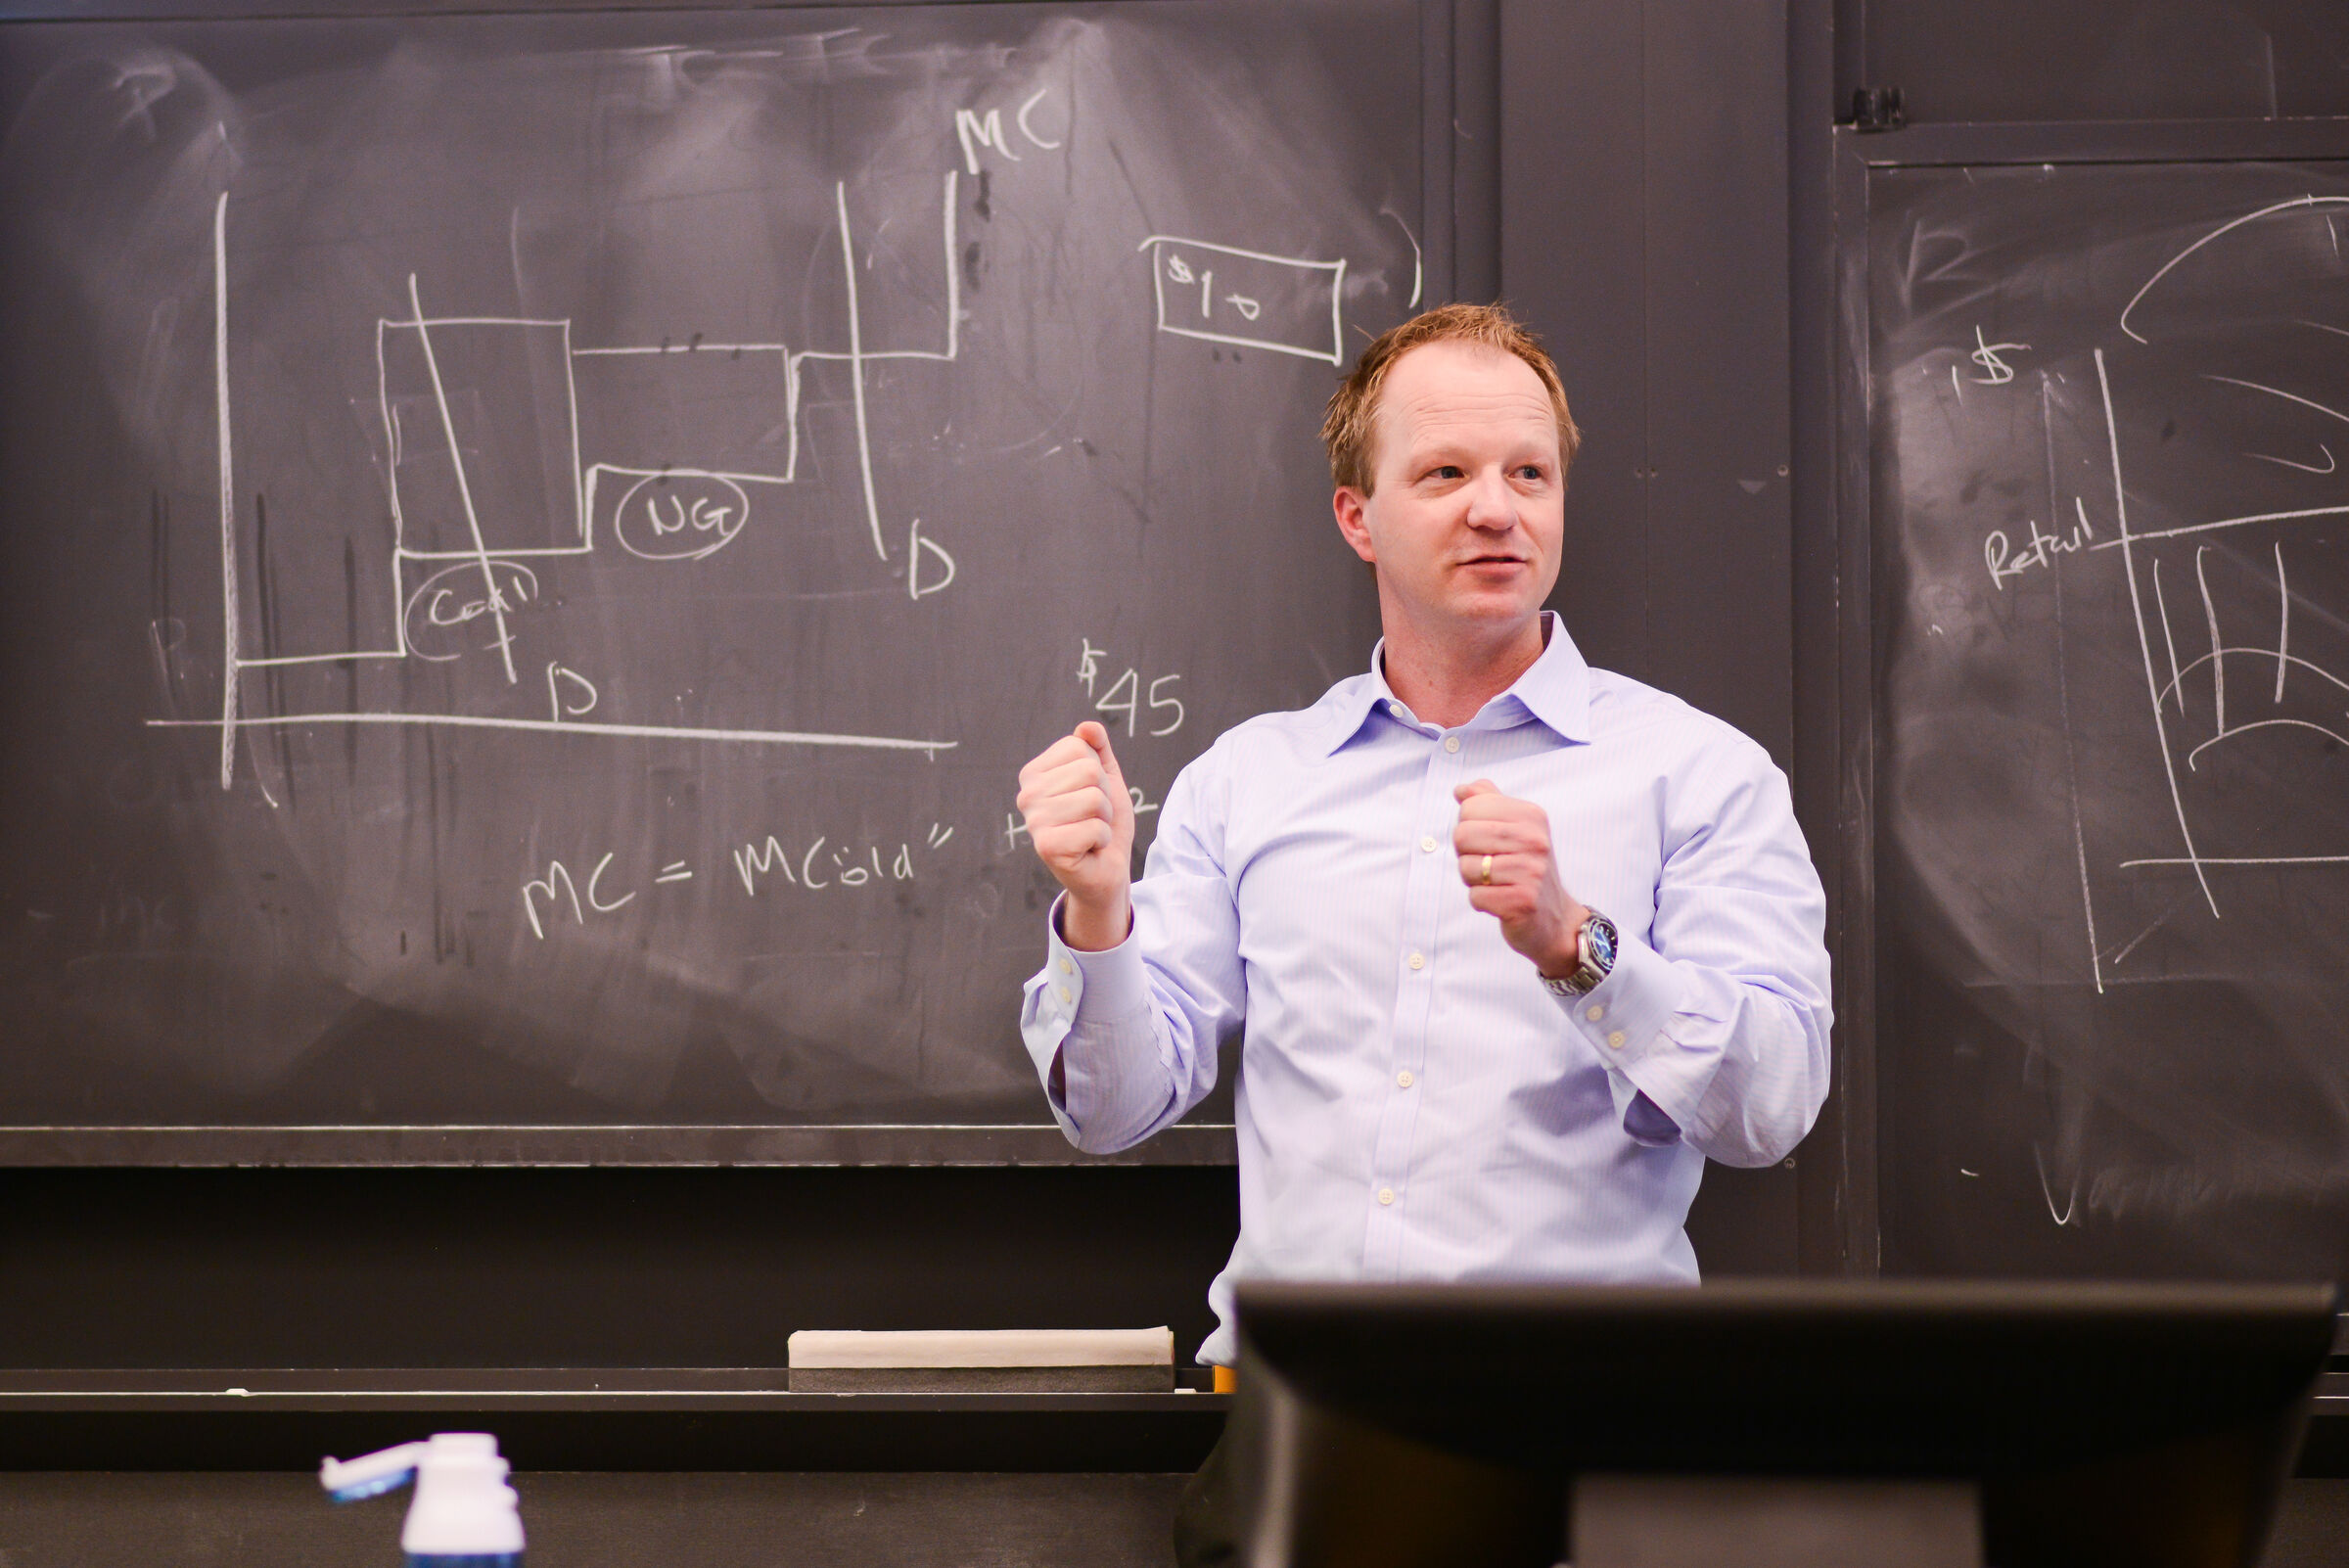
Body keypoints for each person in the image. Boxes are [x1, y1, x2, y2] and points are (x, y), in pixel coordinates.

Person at [1013, 302, 1832, 1563]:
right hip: (1300, 1443)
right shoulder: (1253, 781)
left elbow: (1773, 1101)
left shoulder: (1698, 774)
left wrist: (1581, 948)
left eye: (1529, 474)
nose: (1495, 509)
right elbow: (1112, 1109)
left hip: (1592, 1439)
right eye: (1444, 473)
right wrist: (1098, 913)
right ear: (1359, 516)